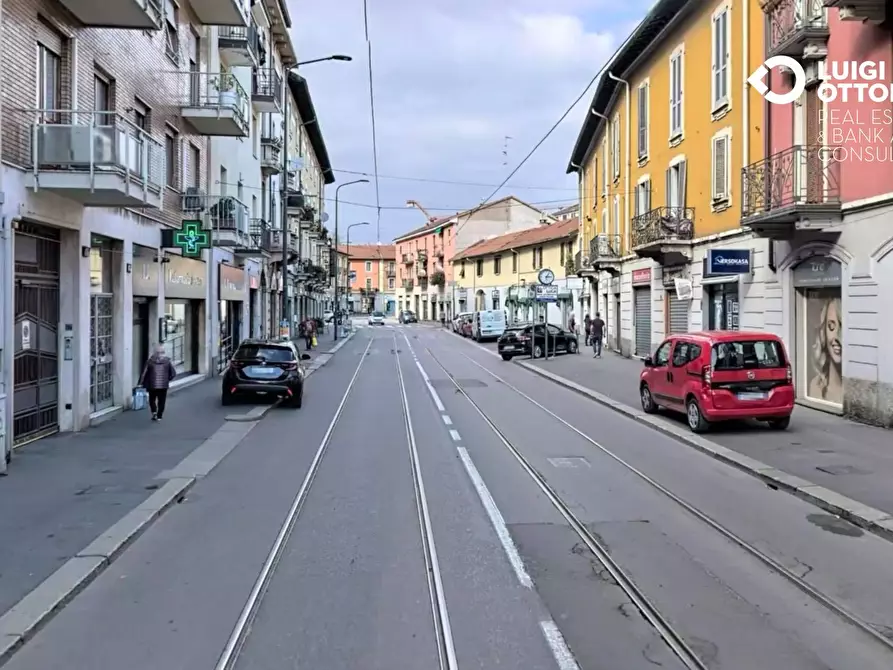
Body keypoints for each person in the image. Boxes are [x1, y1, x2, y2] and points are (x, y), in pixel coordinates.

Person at [140, 344, 177, 421]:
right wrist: (167, 379)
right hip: (163, 385)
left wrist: (141, 383)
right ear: (163, 352)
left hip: (152, 385)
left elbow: (144, 373)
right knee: (162, 401)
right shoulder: (167, 361)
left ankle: (154, 412)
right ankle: (159, 416)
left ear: (154, 352)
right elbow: (173, 374)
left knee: (152, 399)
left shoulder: (149, 361)